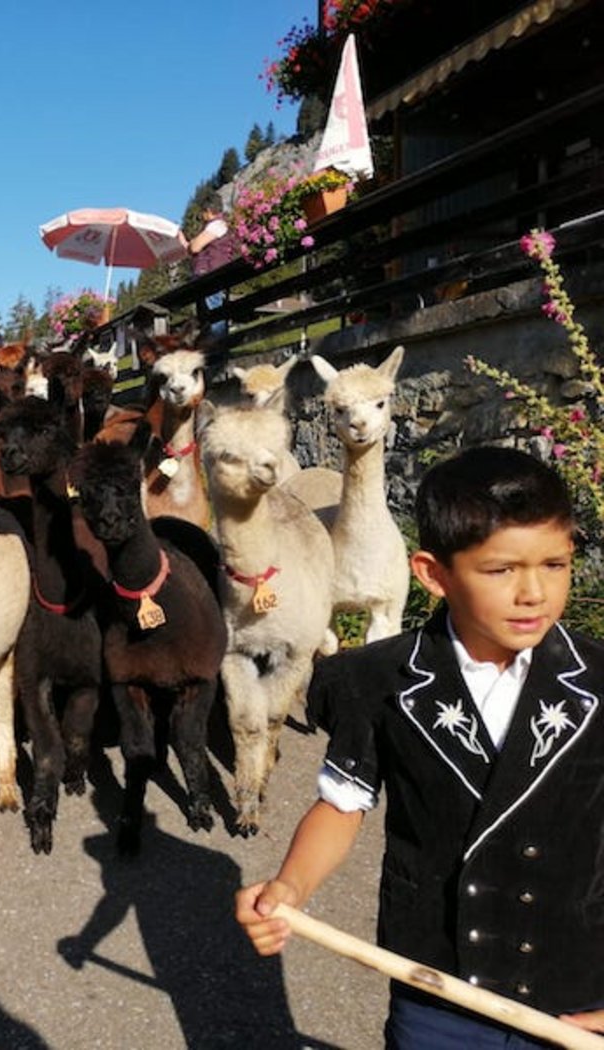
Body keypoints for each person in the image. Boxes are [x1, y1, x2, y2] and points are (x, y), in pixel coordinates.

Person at [236, 445, 604, 1047]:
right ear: (433, 575)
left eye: (555, 565)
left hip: (577, 985)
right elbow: (342, 804)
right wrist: (290, 889)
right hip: (439, 986)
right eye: (501, 570)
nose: (533, 592)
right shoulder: (379, 681)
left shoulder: (596, 681)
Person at [188, 204, 235, 338]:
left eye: (202, 213)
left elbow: (196, 247)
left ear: (208, 211)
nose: (202, 217)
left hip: (212, 274)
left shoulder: (217, 225)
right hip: (210, 275)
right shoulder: (218, 225)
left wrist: (192, 243)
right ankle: (214, 350)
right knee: (210, 314)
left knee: (215, 313)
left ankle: (218, 350)